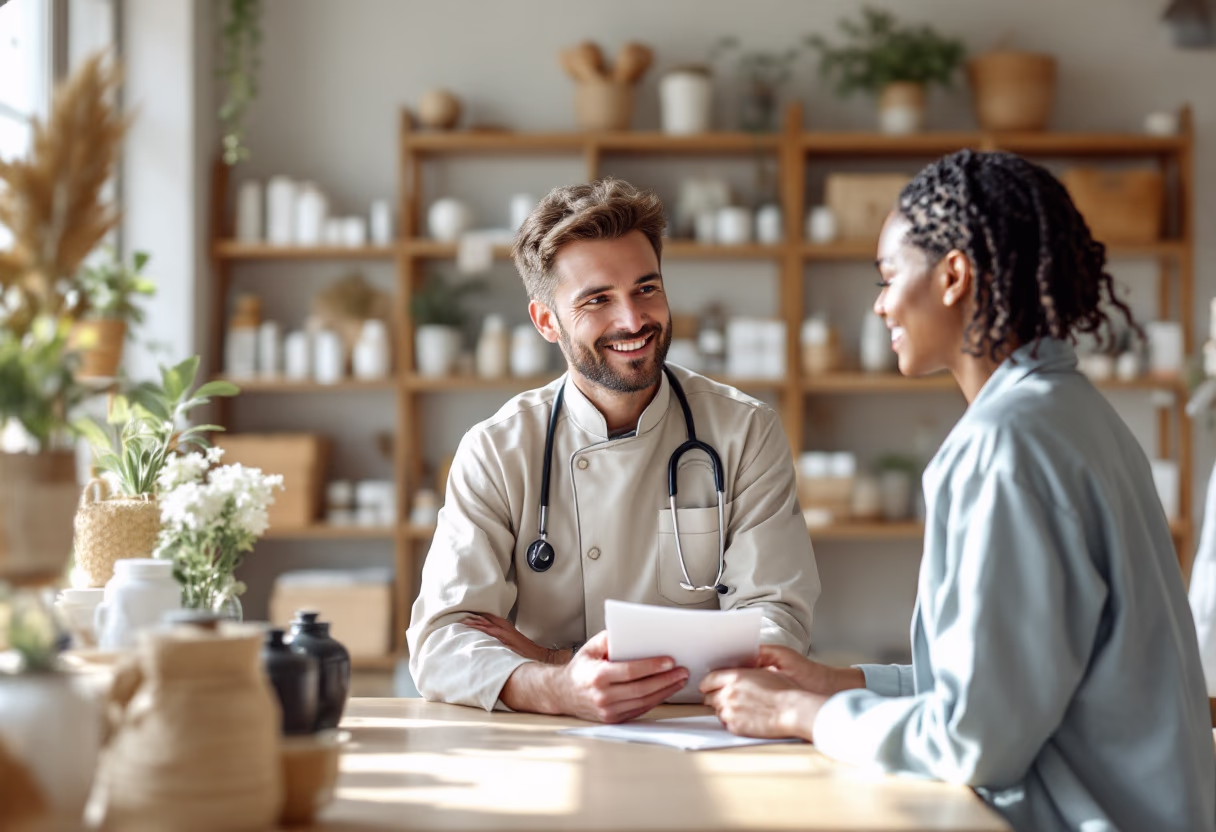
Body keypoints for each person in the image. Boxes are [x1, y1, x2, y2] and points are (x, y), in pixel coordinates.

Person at [701, 150, 1216, 832]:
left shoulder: (1009, 446)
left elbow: (977, 741)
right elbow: (1014, 683)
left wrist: (800, 714)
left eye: (888, 278)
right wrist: (841, 683)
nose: (881, 305)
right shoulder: (1072, 414)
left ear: (953, 276)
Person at [407, 178, 820, 723]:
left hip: (700, 734)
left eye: (647, 288)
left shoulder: (745, 431)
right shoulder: (497, 450)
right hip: (543, 739)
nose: (633, 320)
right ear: (546, 321)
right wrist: (557, 688)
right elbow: (442, 640)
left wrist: (553, 659)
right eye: (597, 300)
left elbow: (775, 625)